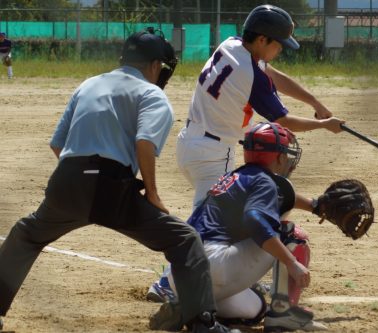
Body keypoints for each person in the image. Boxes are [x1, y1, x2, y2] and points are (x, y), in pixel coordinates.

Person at [0, 30, 239, 333]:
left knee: (26, 234)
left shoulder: (89, 85)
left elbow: (57, 144)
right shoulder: (152, 95)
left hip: (65, 181)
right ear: (155, 65)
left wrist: (79, 182)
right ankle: (202, 324)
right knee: (184, 240)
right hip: (110, 187)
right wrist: (151, 193)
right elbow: (144, 143)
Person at [149, 122, 328, 332]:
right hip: (215, 263)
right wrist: (291, 262)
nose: (288, 159)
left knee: (255, 309)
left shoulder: (231, 178)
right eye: (285, 153)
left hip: (182, 274)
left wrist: (314, 205)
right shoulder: (264, 181)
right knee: (290, 234)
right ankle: (283, 312)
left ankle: (188, 309)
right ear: (278, 157)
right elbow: (254, 219)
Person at [176, 4, 345, 211]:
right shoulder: (251, 75)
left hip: (188, 144)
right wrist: (324, 124)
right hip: (213, 155)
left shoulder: (231, 44)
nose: (280, 49)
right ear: (262, 39)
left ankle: (312, 206)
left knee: (235, 211)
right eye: (278, 44)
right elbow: (284, 121)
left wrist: (314, 102)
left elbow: (274, 76)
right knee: (208, 225)